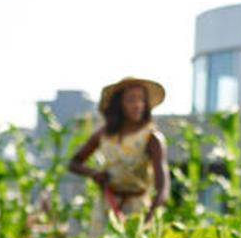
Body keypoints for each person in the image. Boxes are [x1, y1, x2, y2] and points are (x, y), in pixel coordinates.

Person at [68, 77, 170, 224]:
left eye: (141, 100)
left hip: (137, 209)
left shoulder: (151, 138)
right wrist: (94, 173)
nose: (137, 105)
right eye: (130, 100)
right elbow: (74, 163)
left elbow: (163, 189)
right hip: (107, 206)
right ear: (119, 104)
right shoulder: (104, 135)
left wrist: (150, 215)